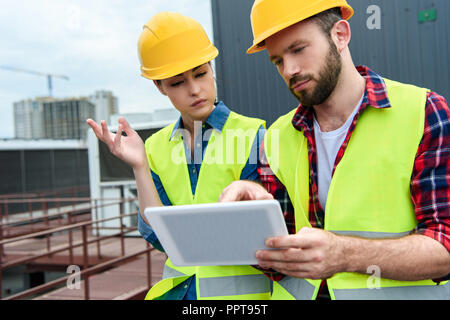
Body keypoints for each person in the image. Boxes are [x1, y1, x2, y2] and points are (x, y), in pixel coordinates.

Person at [219, 0, 450, 299]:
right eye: (277, 61)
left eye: (298, 49)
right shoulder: (277, 135)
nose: (289, 70)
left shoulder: (423, 112)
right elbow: (279, 259)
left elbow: (445, 246)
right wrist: (250, 214)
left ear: (340, 35)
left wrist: (344, 254)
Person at [87, 11, 270, 300]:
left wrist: (185, 235)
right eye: (177, 83)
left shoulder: (254, 135)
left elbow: (256, 233)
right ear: (159, 87)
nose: (195, 89)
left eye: (200, 74)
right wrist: (139, 166)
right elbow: (159, 238)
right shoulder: (154, 148)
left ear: (212, 68)